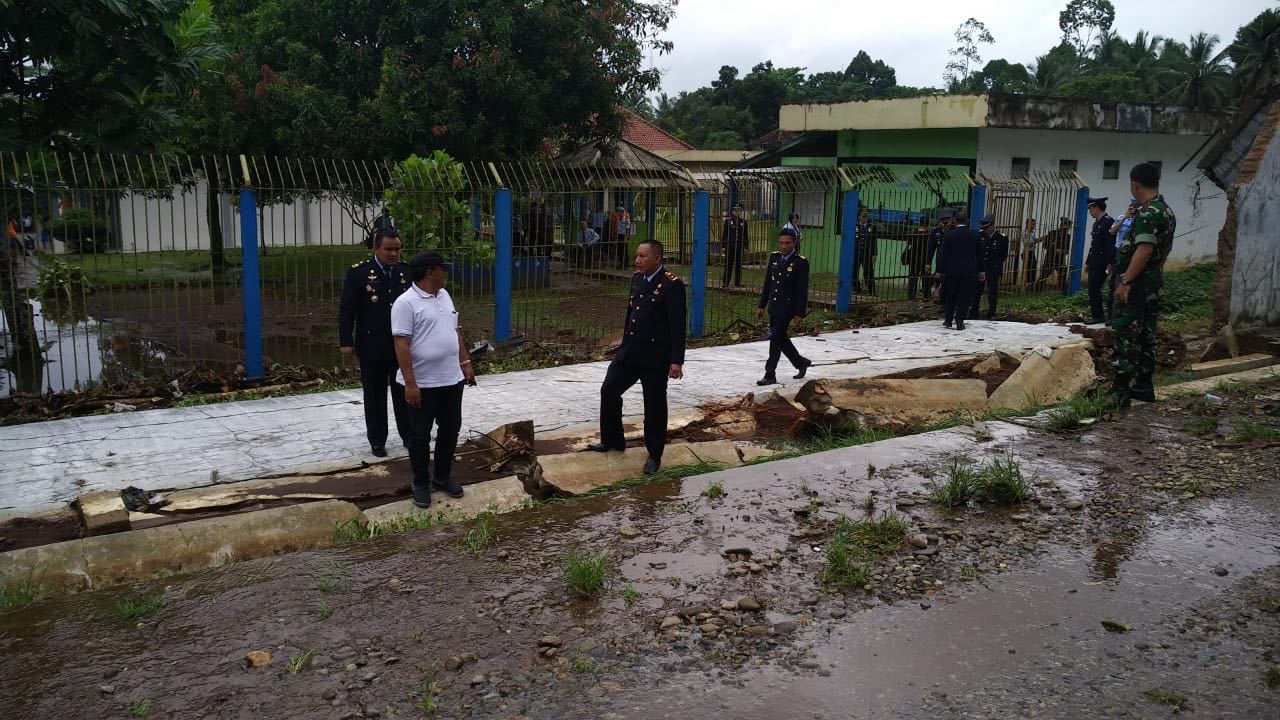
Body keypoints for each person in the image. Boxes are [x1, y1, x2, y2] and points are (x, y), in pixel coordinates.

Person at [587, 240, 686, 476]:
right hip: (630, 352)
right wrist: (623, 346)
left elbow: (678, 326)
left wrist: (676, 361)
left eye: (642, 257)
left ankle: (654, 453)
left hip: (655, 358)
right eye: (637, 256)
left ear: (656, 259)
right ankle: (612, 440)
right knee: (609, 390)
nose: (637, 260)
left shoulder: (671, 285)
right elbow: (631, 315)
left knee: (654, 405)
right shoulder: (637, 279)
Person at [391, 251, 477, 508]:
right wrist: (411, 383)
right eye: (443, 268)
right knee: (419, 435)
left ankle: (442, 476)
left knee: (451, 430)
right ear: (430, 272)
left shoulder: (444, 296)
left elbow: (454, 330)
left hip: (451, 380)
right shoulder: (405, 303)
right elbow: (401, 345)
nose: (446, 273)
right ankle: (420, 482)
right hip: (423, 384)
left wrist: (465, 362)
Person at [339, 229, 413, 458]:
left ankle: (409, 437)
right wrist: (346, 341)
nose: (393, 254)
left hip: (400, 347)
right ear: (375, 249)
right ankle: (377, 440)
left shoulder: (405, 272)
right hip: (372, 346)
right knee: (374, 396)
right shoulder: (359, 274)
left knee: (405, 394)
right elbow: (347, 310)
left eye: (397, 249)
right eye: (388, 249)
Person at [1110, 163, 1176, 408]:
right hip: (1153, 282)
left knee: (1126, 333)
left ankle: (1120, 390)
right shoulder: (1166, 211)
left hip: (1137, 284)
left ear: (1135, 184)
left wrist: (1126, 280)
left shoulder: (1148, 213)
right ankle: (1143, 385)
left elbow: (1144, 249)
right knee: (1147, 334)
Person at [756, 227, 812, 385]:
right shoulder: (774, 258)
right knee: (781, 339)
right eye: (781, 243)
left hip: (788, 308)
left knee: (775, 340)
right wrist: (761, 305)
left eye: (787, 243)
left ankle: (770, 373)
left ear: (794, 243)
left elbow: (802, 290)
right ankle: (800, 362)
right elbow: (768, 284)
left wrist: (799, 313)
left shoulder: (801, 262)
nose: (783, 246)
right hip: (774, 305)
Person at [936, 213, 984, 331]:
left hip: (952, 271)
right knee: (965, 296)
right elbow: (980, 255)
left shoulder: (949, 235)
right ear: (967, 221)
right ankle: (960, 321)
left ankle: (948, 320)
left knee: (950, 295)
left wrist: (939, 270)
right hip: (969, 271)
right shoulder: (974, 235)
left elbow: (942, 255)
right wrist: (981, 271)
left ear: (955, 221)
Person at [970, 214, 1009, 319]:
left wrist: (995, 265)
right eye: (983, 227)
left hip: (993, 268)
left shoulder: (1002, 238)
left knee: (992, 291)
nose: (984, 229)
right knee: (976, 290)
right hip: (980, 268)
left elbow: (1003, 255)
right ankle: (973, 311)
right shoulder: (980, 236)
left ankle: (991, 313)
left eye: (986, 227)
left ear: (992, 226)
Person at [1085, 197, 1116, 324]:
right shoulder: (1097, 222)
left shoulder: (1108, 222)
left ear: (1096, 208)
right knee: (1092, 288)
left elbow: (1110, 244)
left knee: (1094, 287)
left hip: (1103, 261)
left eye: (1090, 208)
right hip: (1094, 260)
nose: (1089, 211)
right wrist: (1088, 262)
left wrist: (1110, 262)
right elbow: (1094, 245)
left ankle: (1099, 316)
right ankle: (1097, 315)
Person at [904, 214, 934, 300]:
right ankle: (926, 296)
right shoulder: (929, 234)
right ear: (927, 224)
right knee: (926, 279)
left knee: (913, 278)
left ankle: (911, 296)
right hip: (925, 259)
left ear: (919, 223)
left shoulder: (913, 232)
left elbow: (908, 243)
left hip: (914, 259)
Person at [1038, 217, 1072, 291]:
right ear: (1060, 225)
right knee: (1043, 276)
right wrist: (1053, 248)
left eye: (1067, 228)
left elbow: (1067, 250)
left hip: (1060, 260)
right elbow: (1044, 245)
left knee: (1063, 276)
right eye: (1064, 226)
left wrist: (1062, 251)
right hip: (1049, 259)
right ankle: (1036, 290)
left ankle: (1063, 293)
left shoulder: (1068, 237)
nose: (1066, 229)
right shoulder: (1052, 233)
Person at [720, 203, 748, 287]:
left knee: (739, 265)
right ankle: (726, 282)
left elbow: (745, 236)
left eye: (739, 210)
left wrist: (746, 247)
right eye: (735, 210)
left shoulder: (743, 222)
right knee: (728, 264)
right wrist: (724, 246)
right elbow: (725, 234)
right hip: (730, 246)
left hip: (739, 246)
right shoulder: (728, 221)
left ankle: (738, 282)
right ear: (732, 211)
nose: (737, 212)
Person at [852, 207, 877, 295]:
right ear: (859, 216)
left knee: (868, 271)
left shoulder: (872, 227)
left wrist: (874, 253)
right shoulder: (854, 226)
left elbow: (874, 241)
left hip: (867, 253)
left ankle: (871, 290)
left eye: (866, 215)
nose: (865, 217)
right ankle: (856, 288)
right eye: (863, 215)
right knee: (854, 271)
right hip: (856, 252)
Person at [1019, 217, 1039, 288]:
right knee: (1028, 271)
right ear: (1028, 224)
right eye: (1033, 224)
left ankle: (1031, 286)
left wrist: (1041, 239)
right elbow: (1026, 243)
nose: (1034, 226)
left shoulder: (1032, 233)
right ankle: (1027, 286)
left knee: (1033, 270)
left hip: (1031, 253)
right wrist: (1036, 241)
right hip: (1027, 253)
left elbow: (1035, 240)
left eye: (1034, 224)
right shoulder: (1025, 232)